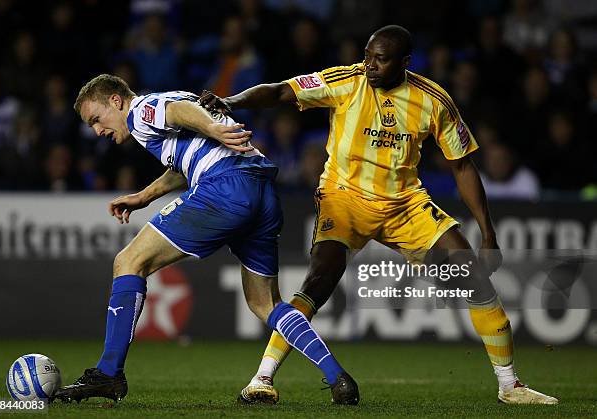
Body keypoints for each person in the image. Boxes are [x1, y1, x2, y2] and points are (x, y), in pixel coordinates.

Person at [200, 25, 558, 405]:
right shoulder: (346, 80)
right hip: (344, 198)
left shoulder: (433, 99)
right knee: (318, 282)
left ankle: (509, 386)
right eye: (368, 55)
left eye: (380, 59)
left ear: (404, 63)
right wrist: (232, 100)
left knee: (473, 280)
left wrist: (488, 233)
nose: (369, 65)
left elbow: (464, 167)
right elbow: (281, 91)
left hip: (404, 206)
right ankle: (262, 379)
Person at [52, 74, 358, 404]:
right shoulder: (165, 105)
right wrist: (144, 196)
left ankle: (108, 374)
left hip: (224, 188)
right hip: (262, 192)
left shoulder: (140, 109)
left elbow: (178, 110)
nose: (97, 131)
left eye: (96, 119)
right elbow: (183, 159)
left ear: (115, 100)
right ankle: (338, 377)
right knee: (264, 302)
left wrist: (213, 128)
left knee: (128, 262)